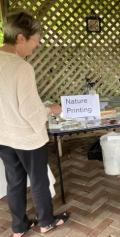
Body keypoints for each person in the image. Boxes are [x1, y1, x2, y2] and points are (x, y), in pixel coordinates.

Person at [0, 10, 69, 237]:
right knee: (39, 180)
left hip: (3, 135)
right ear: (21, 37)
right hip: (27, 137)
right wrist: (51, 109)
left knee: (14, 181)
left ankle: (19, 227)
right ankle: (46, 222)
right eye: (35, 41)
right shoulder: (22, 68)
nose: (35, 47)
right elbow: (30, 111)